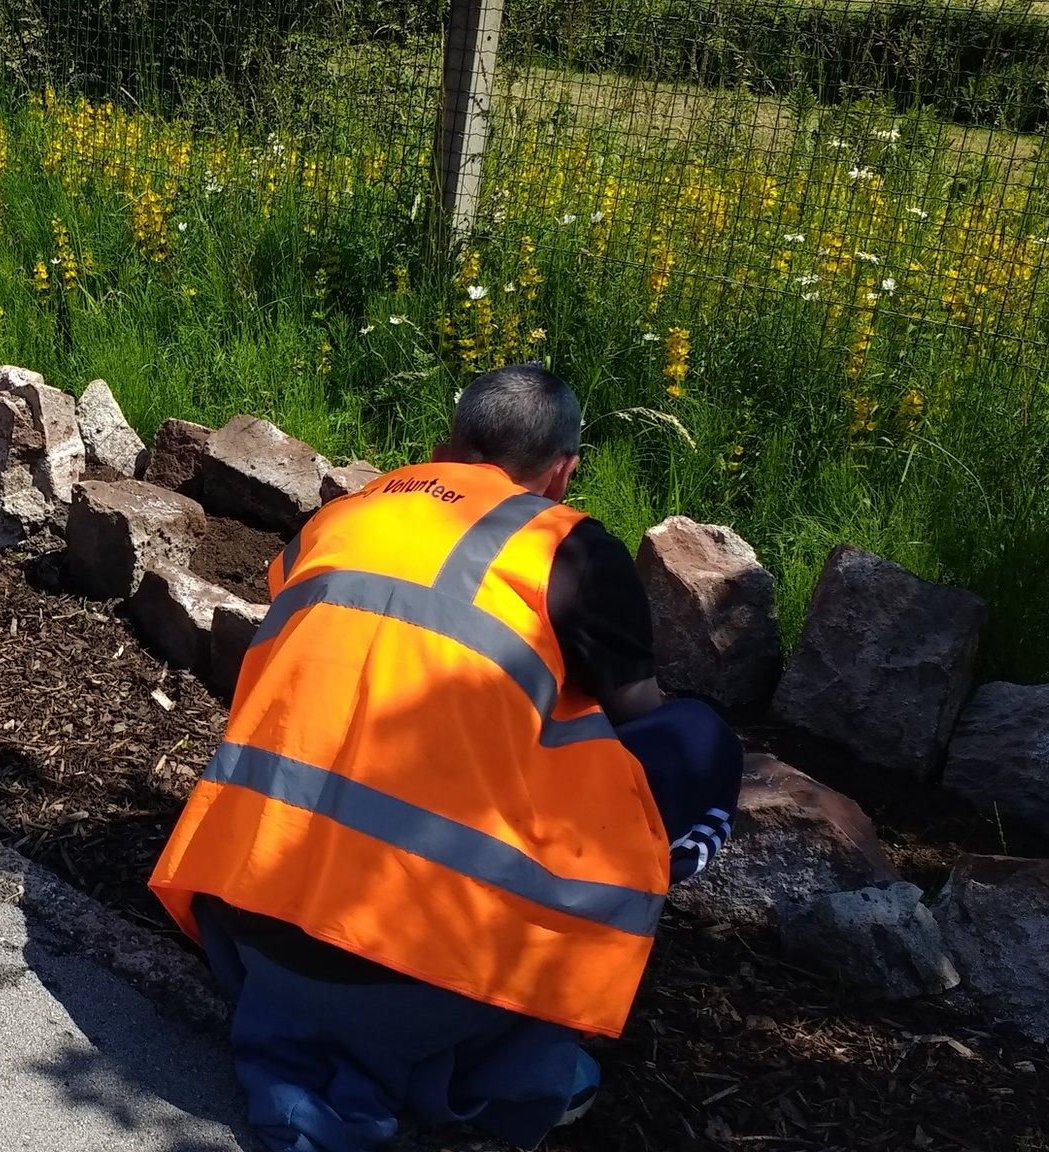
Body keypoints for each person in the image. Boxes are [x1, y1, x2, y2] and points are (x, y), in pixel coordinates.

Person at [149, 363, 742, 1150]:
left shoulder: (342, 518)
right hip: (425, 967)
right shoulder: (568, 549)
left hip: (250, 917)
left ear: (444, 445)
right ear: (562, 473)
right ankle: (510, 1041)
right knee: (697, 740)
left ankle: (410, 1058)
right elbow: (640, 718)